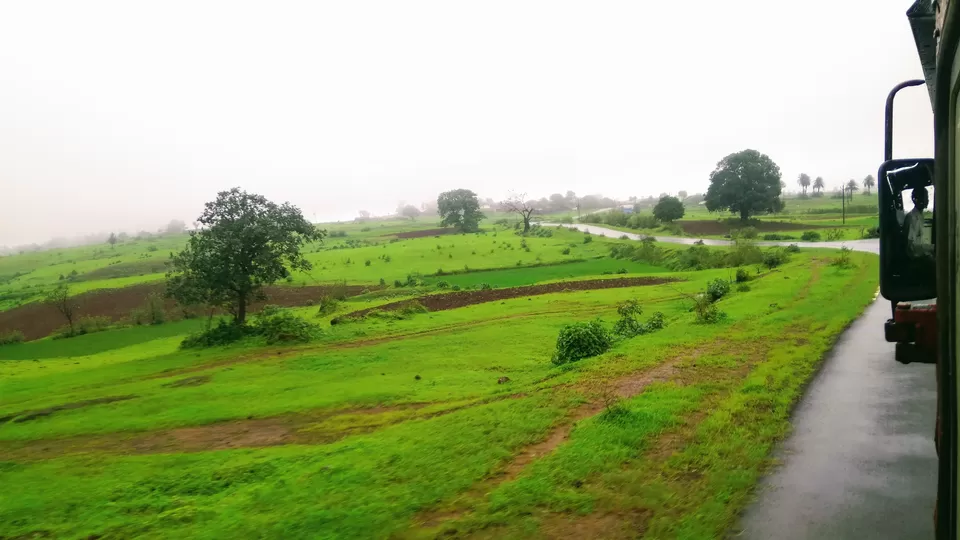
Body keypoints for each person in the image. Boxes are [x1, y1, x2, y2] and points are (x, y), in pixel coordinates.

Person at [904, 186, 934, 259]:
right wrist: (932, 248)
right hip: (916, 260)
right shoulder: (913, 218)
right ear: (917, 199)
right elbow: (912, 246)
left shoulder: (919, 216)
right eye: (925, 197)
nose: (928, 200)